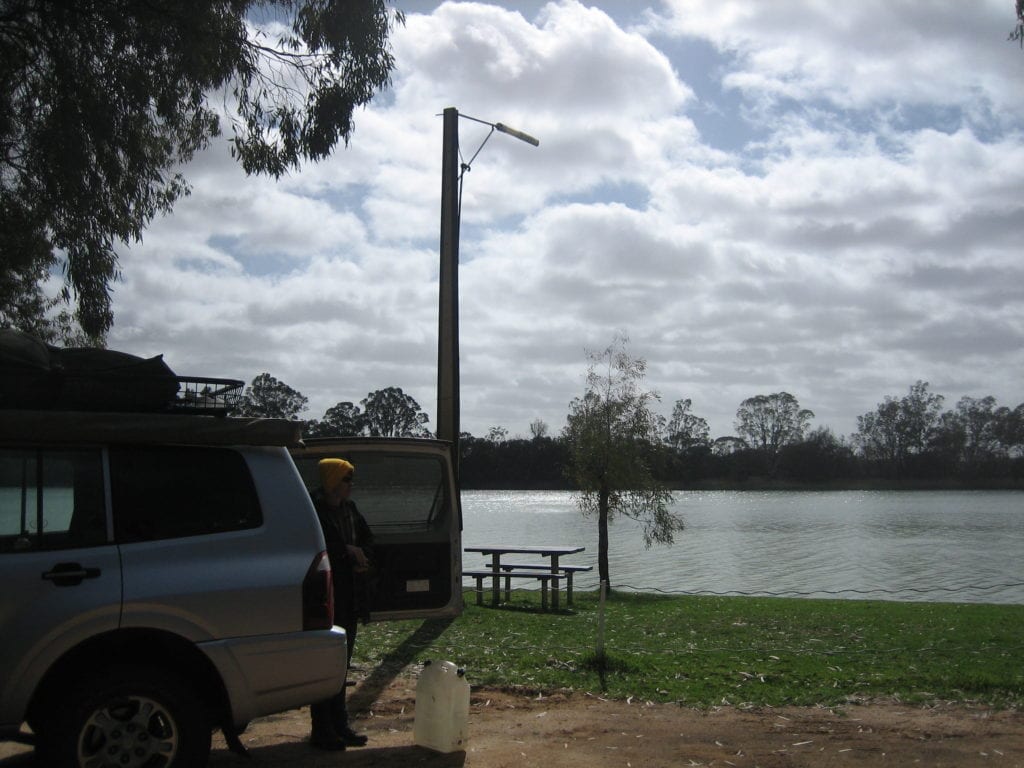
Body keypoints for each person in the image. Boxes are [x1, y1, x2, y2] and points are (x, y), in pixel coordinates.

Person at [309, 458, 375, 751]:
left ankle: (340, 724)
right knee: (325, 664)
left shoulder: (351, 510)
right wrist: (346, 551)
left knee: (342, 663)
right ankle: (321, 729)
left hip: (349, 595)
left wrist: (363, 557)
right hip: (324, 595)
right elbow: (315, 546)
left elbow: (367, 538)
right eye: (347, 480)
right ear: (333, 481)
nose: (351, 486)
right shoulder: (313, 511)